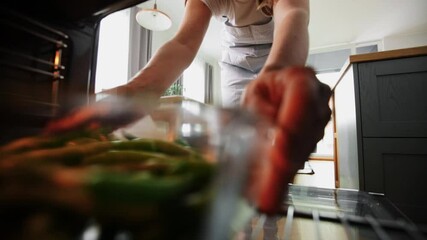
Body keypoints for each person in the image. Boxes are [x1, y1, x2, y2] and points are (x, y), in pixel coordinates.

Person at [45, 0, 332, 214]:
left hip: (279, 48)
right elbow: (183, 42)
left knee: (274, 126)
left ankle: (274, 195)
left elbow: (294, 15)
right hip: (235, 60)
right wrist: (141, 88)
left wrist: (278, 70)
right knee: (239, 134)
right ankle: (239, 207)